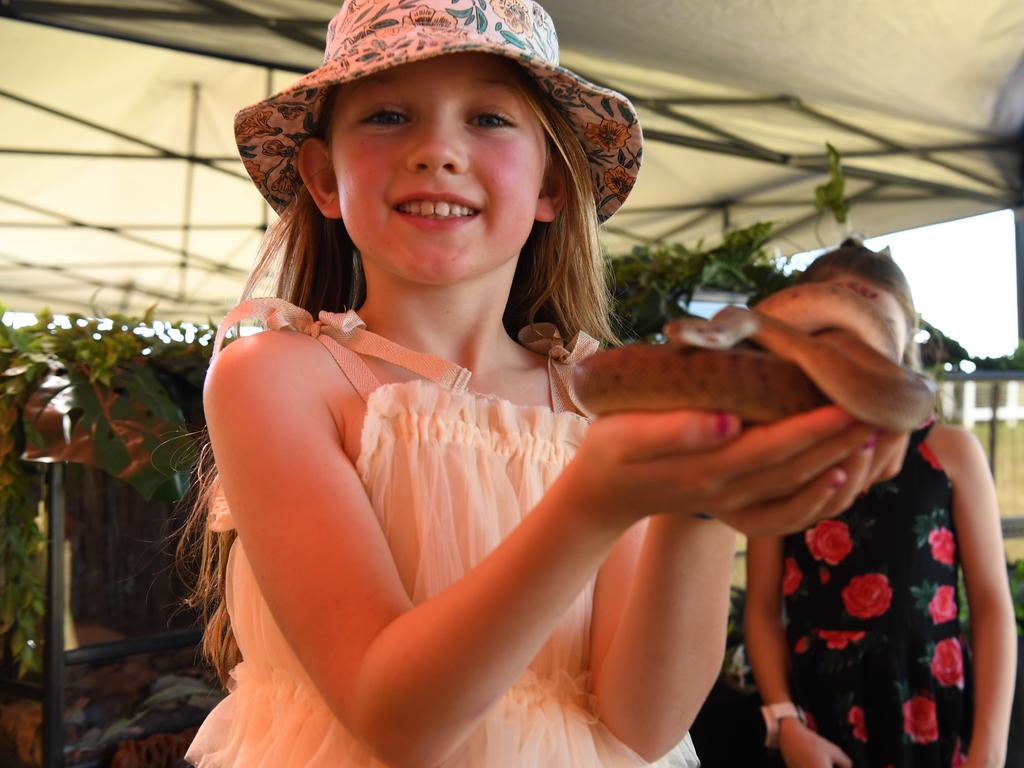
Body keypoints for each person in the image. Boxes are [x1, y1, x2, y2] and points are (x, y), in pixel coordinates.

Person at [180, 3, 892, 766]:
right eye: (388, 115)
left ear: (552, 184)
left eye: (488, 118)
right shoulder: (276, 376)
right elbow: (395, 723)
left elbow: (643, 724)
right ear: (324, 178)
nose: (437, 150)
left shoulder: (600, 398)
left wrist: (707, 504)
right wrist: (596, 500)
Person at [744, 240, 1017, 768]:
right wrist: (784, 721)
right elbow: (761, 605)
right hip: (818, 712)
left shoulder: (950, 451)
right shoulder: (777, 454)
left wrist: (990, 748)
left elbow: (991, 605)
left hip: (932, 705)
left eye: (877, 327)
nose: (857, 348)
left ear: (905, 338)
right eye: (836, 331)